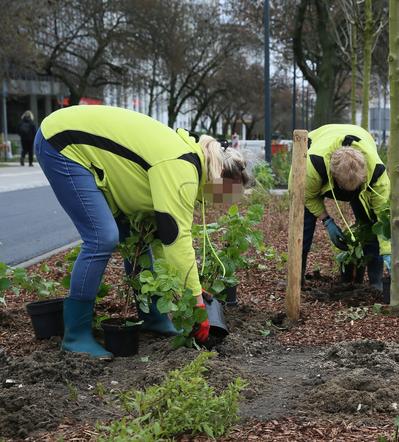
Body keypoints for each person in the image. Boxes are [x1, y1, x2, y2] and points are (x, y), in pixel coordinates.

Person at [35, 105, 249, 359]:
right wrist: (195, 301)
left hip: (86, 150)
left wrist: (192, 290)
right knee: (102, 237)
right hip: (63, 142)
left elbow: (160, 237)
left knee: (140, 238)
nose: (219, 202)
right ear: (219, 177)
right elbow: (176, 238)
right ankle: (76, 334)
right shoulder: (182, 170)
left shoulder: (187, 162)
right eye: (224, 195)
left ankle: (153, 318)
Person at [295, 124, 391, 290]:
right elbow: (305, 196)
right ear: (333, 176)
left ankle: (376, 282)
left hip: (362, 140)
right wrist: (327, 220)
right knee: (303, 222)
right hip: (320, 142)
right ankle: (297, 278)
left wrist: (388, 251)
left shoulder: (377, 174)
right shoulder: (312, 165)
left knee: (370, 223)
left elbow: (383, 218)